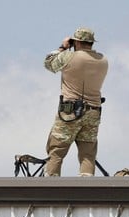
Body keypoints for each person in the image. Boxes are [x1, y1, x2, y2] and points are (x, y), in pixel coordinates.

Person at [43, 27, 109, 176]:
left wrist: (63, 47)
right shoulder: (103, 60)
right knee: (88, 154)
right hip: (94, 112)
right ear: (91, 42)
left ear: (76, 42)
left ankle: (50, 187)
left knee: (57, 151)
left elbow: (48, 63)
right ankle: (86, 187)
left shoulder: (68, 57)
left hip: (70, 111)